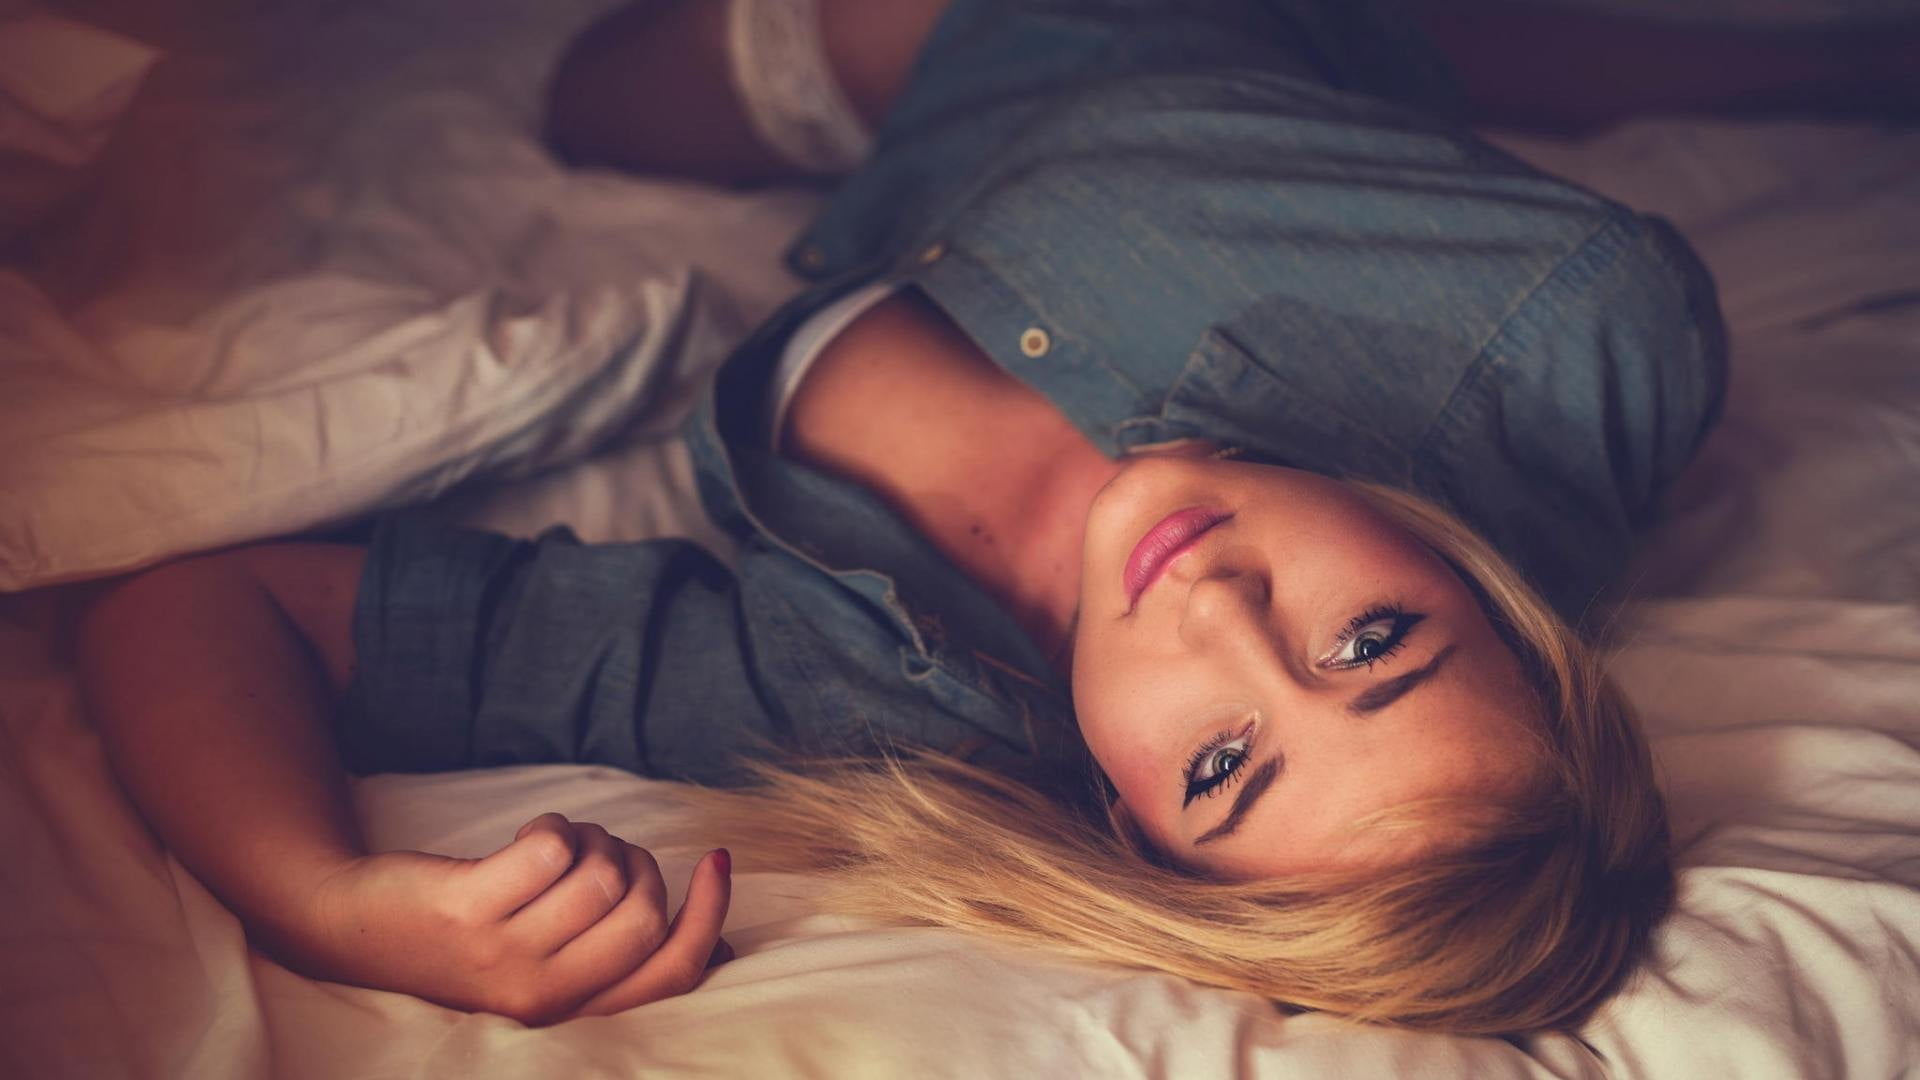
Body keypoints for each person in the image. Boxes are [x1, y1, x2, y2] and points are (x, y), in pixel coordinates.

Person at [78, 0, 1735, 1035]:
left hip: (915, 86)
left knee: (590, 99)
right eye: (1375, 641)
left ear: (1137, 835)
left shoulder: (866, 706)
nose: (1222, 607)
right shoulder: (1560, 331)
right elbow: (1620, 321)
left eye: (1227, 763)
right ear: (1477, 578)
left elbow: (195, 611)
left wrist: (323, 901)